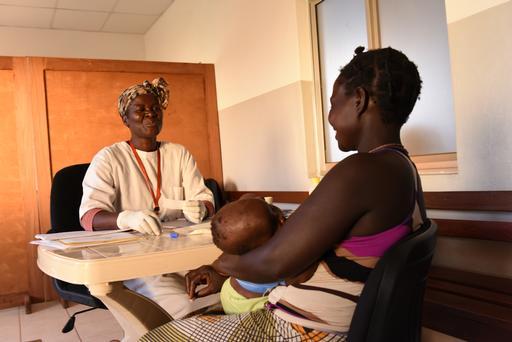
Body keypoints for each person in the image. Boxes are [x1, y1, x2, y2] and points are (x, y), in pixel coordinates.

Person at [141, 46, 426, 341]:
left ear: (359, 100)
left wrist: (221, 266)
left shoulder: (362, 170)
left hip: (306, 331)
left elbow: (273, 262)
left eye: (333, 104)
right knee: (198, 316)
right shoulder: (401, 167)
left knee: (155, 337)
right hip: (335, 323)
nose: (329, 117)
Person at [79, 77, 219, 319]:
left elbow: (204, 198)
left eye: (155, 109)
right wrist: (126, 218)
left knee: (225, 293)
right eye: (140, 110)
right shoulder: (109, 158)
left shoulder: (178, 153)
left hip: (183, 251)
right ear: (125, 118)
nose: (150, 115)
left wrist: (202, 208)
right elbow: (89, 216)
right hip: (137, 259)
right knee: (184, 306)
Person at [206, 197, 286, 314]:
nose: (282, 218)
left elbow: (249, 199)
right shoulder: (280, 260)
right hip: (257, 305)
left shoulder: (241, 254)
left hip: (229, 293)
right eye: (277, 222)